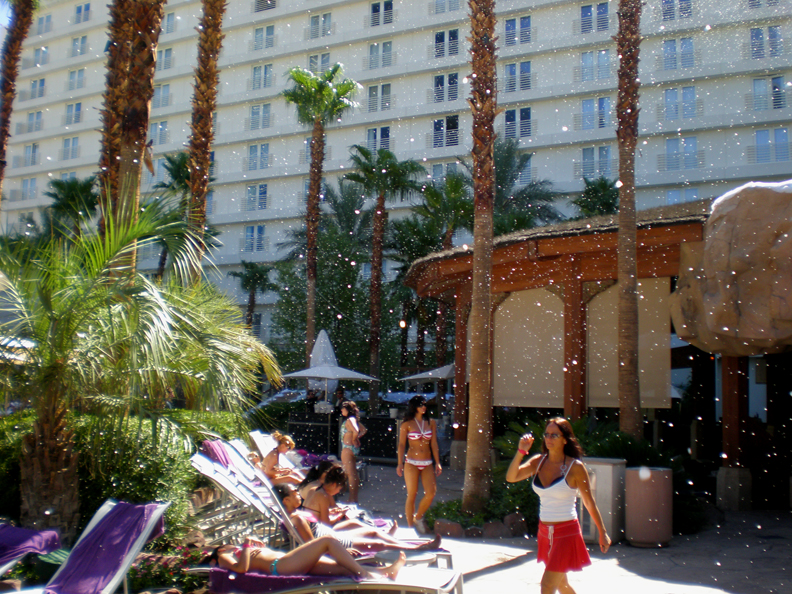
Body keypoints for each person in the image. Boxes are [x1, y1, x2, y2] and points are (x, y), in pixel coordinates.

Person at [505, 417, 611, 594]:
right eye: (547, 434)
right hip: (545, 532)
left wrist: (603, 532)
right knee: (561, 585)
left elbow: (588, 502)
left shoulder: (575, 467)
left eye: (554, 435)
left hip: (566, 533)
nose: (549, 438)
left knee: (547, 585)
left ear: (565, 439)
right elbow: (511, 477)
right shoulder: (538, 461)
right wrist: (521, 452)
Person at [273, 483, 441, 552]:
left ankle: (404, 542)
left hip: (329, 534)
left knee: (365, 528)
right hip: (332, 542)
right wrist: (341, 553)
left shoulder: (294, 514)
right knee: (377, 543)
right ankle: (417, 549)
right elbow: (311, 547)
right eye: (294, 492)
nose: (298, 493)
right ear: (286, 500)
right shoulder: (297, 519)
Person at [208, 534, 406, 580]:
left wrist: (251, 547)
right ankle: (366, 574)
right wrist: (245, 545)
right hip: (281, 566)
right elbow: (241, 569)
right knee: (327, 540)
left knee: (343, 567)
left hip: (286, 563)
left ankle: (385, 572)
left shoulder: (233, 550)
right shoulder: (223, 554)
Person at [396, 395, 442, 533]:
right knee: (412, 494)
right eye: (420, 405)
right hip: (411, 462)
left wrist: (438, 462)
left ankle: (418, 516)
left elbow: (434, 443)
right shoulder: (407, 424)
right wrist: (399, 464)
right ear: (414, 407)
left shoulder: (431, 422)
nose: (423, 407)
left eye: (424, 404)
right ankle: (410, 528)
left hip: (427, 461)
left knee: (431, 492)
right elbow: (402, 444)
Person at [339, 401, 366, 503]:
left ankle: (352, 499)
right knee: (353, 474)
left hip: (348, 447)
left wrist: (354, 438)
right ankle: (354, 498)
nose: (341, 410)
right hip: (351, 447)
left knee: (351, 475)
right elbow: (363, 430)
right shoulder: (354, 419)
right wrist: (356, 438)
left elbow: (356, 430)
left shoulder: (350, 420)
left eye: (343, 408)